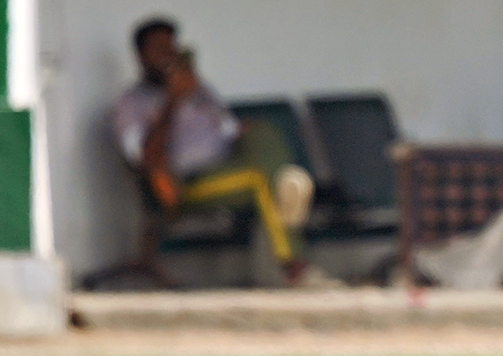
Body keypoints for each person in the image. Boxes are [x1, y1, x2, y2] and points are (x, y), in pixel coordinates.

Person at [110, 17, 336, 288]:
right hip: (188, 185)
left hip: (229, 164)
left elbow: (228, 129)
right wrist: (172, 101)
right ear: (140, 56)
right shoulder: (131, 104)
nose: (168, 56)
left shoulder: (199, 91)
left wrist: (248, 131)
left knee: (264, 132)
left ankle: (287, 185)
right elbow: (145, 160)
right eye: (159, 49)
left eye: (171, 48)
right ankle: (294, 268)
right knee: (260, 179)